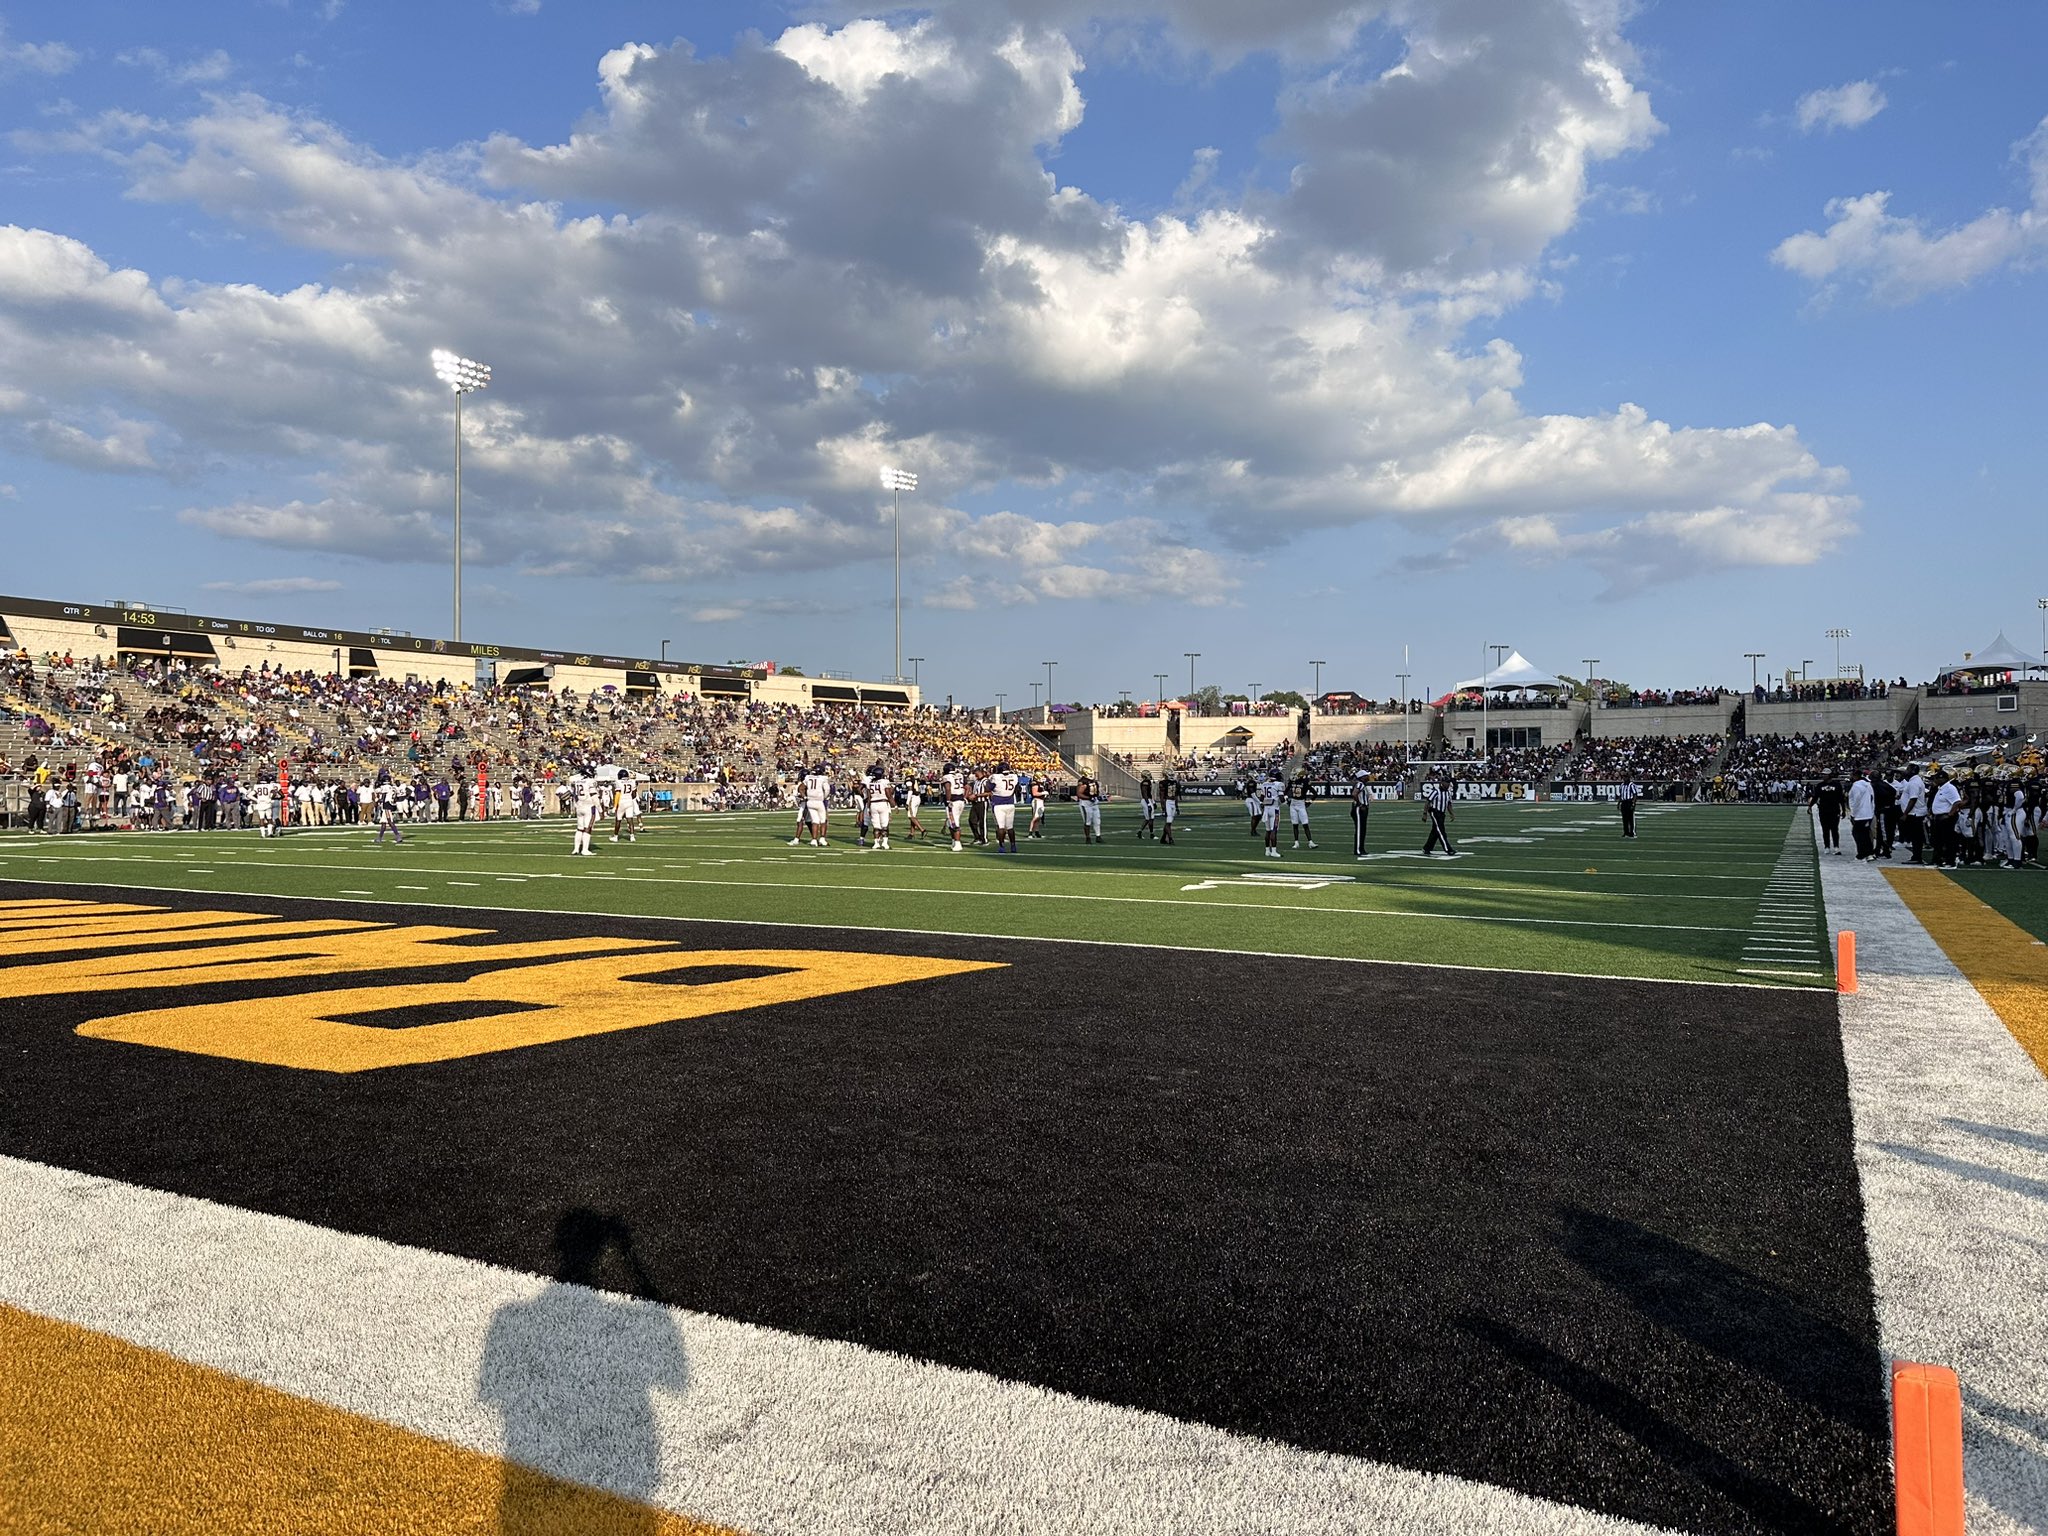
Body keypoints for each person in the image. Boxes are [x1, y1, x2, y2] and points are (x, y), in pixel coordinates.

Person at [986, 761, 1019, 853]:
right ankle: (1013, 846)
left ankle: (1002, 846)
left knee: (1001, 827)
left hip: (999, 804)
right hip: (1010, 803)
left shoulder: (995, 777)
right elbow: (1016, 788)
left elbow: (988, 788)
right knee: (1010, 827)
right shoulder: (1014, 776)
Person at [1421, 773, 1457, 856]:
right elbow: (1428, 801)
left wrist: (1452, 814)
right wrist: (1425, 813)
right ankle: (1448, 849)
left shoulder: (1448, 793)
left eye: (1449, 782)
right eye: (1447, 782)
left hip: (1442, 814)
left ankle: (1427, 848)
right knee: (1441, 831)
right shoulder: (1436, 792)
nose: (1448, 784)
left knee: (1435, 832)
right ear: (1442, 783)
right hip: (1435, 812)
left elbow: (1448, 804)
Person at [798, 763, 831, 847]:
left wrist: (805, 796)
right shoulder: (823, 778)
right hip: (819, 801)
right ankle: (822, 839)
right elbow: (827, 789)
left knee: (815, 821)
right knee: (823, 820)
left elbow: (801, 788)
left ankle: (814, 840)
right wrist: (824, 797)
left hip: (810, 801)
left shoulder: (808, 777)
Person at [1846, 769, 1877, 861]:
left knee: (1857, 834)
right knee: (1865, 834)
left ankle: (1862, 854)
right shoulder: (1868, 785)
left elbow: (1856, 801)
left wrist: (1853, 814)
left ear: (1855, 776)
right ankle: (1869, 853)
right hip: (1868, 812)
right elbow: (1872, 799)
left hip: (1860, 813)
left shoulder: (1856, 786)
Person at [569, 771, 601, 856]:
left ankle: (576, 849)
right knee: (588, 828)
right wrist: (600, 810)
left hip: (579, 806)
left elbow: (574, 795)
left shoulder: (577, 781)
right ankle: (585, 850)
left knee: (579, 828)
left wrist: (577, 805)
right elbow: (594, 796)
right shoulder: (591, 781)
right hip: (589, 806)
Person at [864, 764, 894, 851]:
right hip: (883, 803)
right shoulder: (885, 782)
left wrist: (869, 807)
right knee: (884, 825)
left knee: (876, 826)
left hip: (873, 804)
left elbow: (869, 797)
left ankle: (876, 843)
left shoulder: (870, 783)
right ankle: (885, 843)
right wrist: (894, 805)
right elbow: (889, 794)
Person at [1812, 776, 1845, 854]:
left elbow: (1841, 798)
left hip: (1834, 810)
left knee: (1834, 829)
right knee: (1825, 829)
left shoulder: (1837, 785)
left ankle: (1836, 846)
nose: (1823, 776)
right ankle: (1827, 846)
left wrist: (1843, 810)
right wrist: (1810, 806)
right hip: (1823, 810)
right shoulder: (1820, 785)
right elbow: (1816, 797)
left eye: (1825, 775)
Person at [1287, 771, 1316, 851]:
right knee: (1295, 824)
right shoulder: (1293, 782)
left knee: (1305, 824)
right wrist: (1287, 799)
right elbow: (1286, 791)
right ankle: (1296, 842)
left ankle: (1310, 842)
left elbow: (1314, 793)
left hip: (1300, 804)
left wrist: (1309, 801)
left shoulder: (1305, 782)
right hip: (1293, 804)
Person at [943, 760, 968, 853]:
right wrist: (965, 797)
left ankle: (958, 844)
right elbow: (967, 787)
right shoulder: (960, 775)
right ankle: (954, 841)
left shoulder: (947, 777)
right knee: (951, 823)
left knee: (954, 823)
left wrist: (948, 800)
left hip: (953, 801)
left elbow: (948, 788)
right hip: (960, 800)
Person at [372, 777, 405, 845]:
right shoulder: (394, 787)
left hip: (387, 805)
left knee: (390, 821)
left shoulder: (385, 787)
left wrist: (376, 786)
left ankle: (398, 836)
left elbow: (378, 791)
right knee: (384, 823)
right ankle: (379, 838)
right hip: (391, 804)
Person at [1258, 774, 1283, 858]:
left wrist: (1262, 804)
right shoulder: (1278, 784)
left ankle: (1267, 851)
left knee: (1268, 830)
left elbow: (1261, 798)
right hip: (1274, 809)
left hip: (1266, 809)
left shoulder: (1264, 784)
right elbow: (1282, 799)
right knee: (1274, 830)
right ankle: (1274, 851)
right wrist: (1286, 799)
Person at [611, 777, 642, 842]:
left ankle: (615, 836)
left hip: (621, 802)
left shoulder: (618, 782)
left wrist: (615, 806)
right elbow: (634, 794)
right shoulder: (632, 782)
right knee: (630, 820)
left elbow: (617, 794)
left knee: (618, 820)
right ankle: (632, 836)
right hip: (629, 802)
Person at [1075, 771, 1102, 843]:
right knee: (1088, 821)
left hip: (1094, 802)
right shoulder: (1083, 782)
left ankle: (1098, 836)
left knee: (1097, 820)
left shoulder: (1093, 781)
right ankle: (1088, 838)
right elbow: (1079, 793)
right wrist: (1089, 798)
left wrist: (1095, 797)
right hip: (1086, 803)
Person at [1350, 773, 1372, 858]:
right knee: (1359, 830)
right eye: (1366, 775)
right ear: (1362, 777)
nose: (1368, 777)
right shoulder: (1360, 784)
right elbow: (1354, 794)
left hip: (1361, 809)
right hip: (1359, 809)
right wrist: (1360, 804)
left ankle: (1361, 848)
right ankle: (1358, 849)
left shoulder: (1362, 784)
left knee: (1362, 830)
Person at [1158, 768, 1180, 845]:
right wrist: (1163, 807)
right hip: (1167, 802)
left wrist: (1177, 806)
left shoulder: (1175, 782)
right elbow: (1161, 796)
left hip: (1173, 802)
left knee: (1169, 823)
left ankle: (1163, 838)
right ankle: (1170, 838)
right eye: (1170, 774)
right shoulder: (1162, 783)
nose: (1171, 776)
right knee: (1168, 821)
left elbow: (1176, 795)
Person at [1137, 769, 1157, 840]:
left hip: (1148, 800)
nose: (1150, 776)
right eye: (1148, 774)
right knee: (1150, 818)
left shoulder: (1148, 782)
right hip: (1146, 800)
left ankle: (1140, 832)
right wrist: (1148, 804)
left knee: (1149, 819)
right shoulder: (1145, 783)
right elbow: (1145, 793)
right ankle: (1151, 834)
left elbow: (1150, 794)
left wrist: (1153, 802)